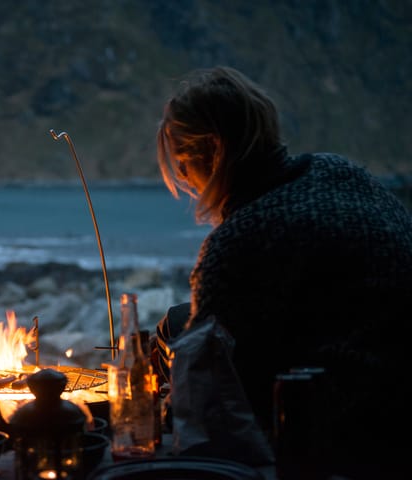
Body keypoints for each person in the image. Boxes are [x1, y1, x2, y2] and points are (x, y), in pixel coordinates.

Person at [152, 66, 412, 478]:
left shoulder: (240, 238)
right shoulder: (342, 171)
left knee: (183, 343)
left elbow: (204, 402)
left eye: (183, 161)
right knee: (181, 321)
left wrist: (164, 405)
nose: (184, 177)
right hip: (397, 375)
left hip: (339, 417)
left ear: (214, 151)